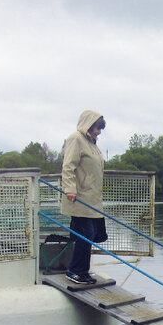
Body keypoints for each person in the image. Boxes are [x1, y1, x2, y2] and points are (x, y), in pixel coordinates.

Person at [60, 110, 107, 285]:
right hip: (78, 198)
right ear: (89, 124)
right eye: (97, 128)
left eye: (100, 129)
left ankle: (83, 271)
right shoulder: (76, 139)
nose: (99, 132)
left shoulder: (92, 144)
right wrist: (70, 189)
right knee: (85, 233)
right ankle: (73, 270)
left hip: (92, 199)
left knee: (92, 234)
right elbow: (68, 166)